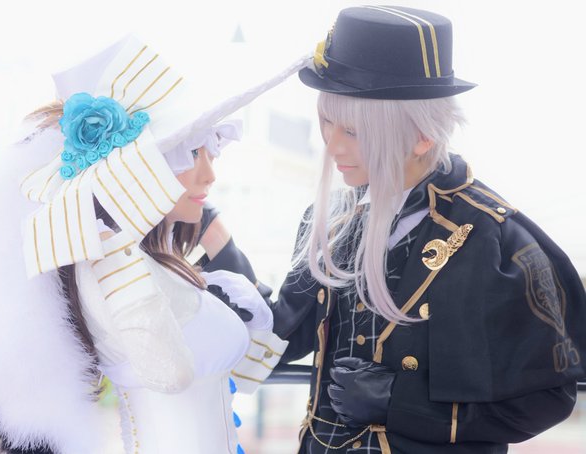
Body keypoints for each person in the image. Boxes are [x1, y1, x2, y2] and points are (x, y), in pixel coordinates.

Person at [200, 6, 586, 454]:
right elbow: (284, 336)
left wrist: (399, 404)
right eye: (327, 122)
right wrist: (214, 236)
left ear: (422, 136)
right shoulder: (333, 219)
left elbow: (546, 398)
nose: (332, 145)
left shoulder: (493, 239)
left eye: (353, 130)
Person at [0, 33, 307, 454]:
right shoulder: (112, 267)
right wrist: (118, 260)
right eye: (192, 153)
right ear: (137, 167)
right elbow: (170, 373)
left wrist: (245, 315)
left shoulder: (157, 265)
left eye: (211, 151)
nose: (210, 174)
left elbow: (231, 376)